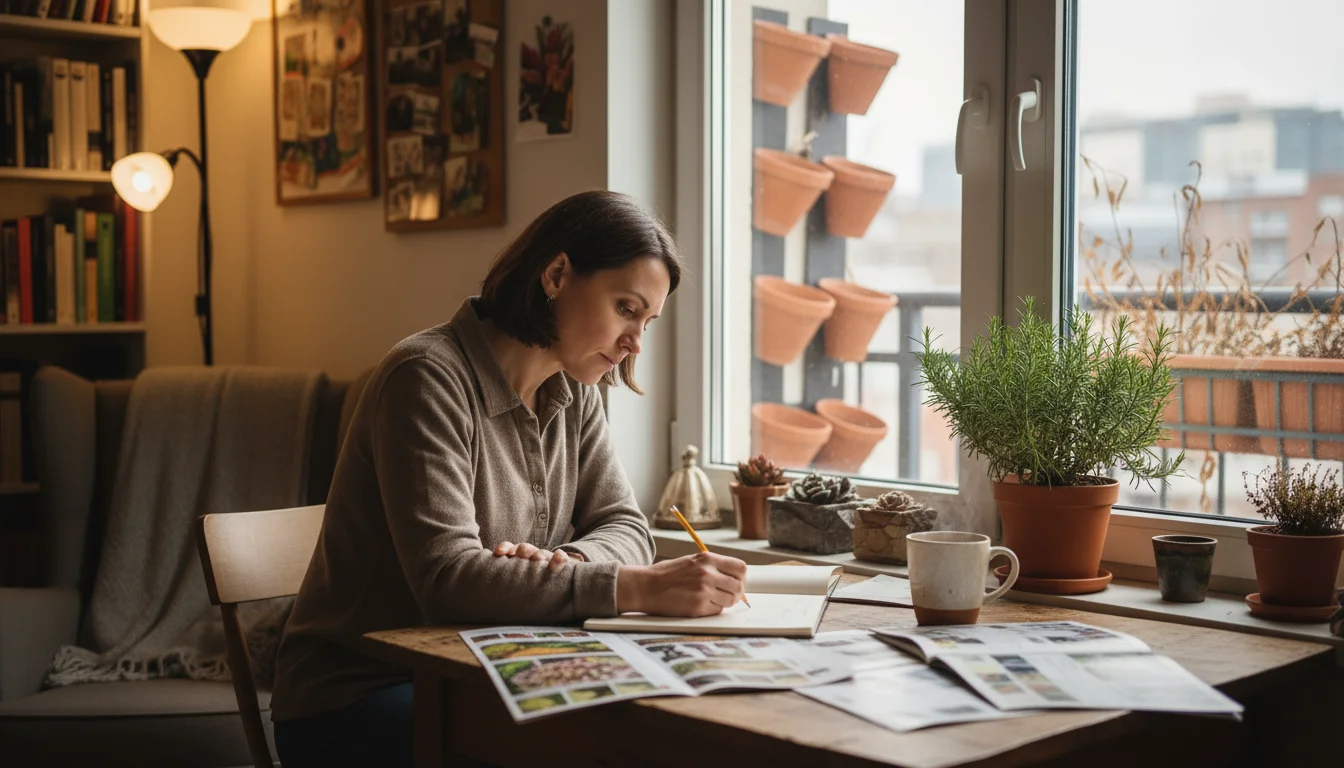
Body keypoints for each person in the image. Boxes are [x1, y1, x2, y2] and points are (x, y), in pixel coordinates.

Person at [269, 191, 749, 767]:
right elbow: (448, 579)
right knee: (594, 750)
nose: (634, 344)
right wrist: (637, 586)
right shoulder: (426, 378)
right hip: (360, 696)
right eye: (626, 308)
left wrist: (567, 564)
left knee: (661, 734)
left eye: (646, 321)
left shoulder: (576, 392)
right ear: (556, 274)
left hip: (489, 667)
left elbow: (624, 523)